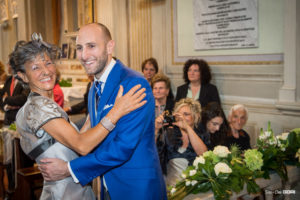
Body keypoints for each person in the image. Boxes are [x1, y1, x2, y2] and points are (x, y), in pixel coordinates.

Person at [10, 33, 147, 200]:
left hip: (71, 188)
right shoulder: (38, 107)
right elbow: (82, 145)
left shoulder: (39, 106)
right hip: (65, 193)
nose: (46, 71)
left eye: (48, 63)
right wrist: (116, 112)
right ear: (23, 75)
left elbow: (73, 143)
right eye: (35, 67)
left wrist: (95, 114)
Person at [39, 23, 167, 200]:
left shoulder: (134, 84)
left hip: (136, 189)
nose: (84, 55)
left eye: (91, 46)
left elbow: (122, 147)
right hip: (107, 187)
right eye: (79, 48)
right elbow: (94, 137)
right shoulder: (94, 88)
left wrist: (69, 169)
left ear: (109, 47)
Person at [155, 98, 207, 186]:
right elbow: (153, 152)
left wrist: (187, 127)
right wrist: (156, 129)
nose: (181, 117)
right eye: (179, 114)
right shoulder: (169, 133)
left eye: (186, 114)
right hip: (170, 186)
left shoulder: (201, 134)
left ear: (195, 116)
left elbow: (204, 154)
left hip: (194, 187)